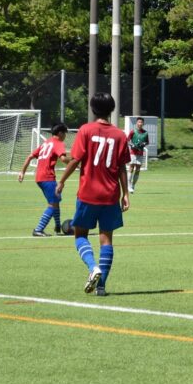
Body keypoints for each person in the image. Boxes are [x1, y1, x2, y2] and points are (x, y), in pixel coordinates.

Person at [56, 93, 130, 296]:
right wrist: (126, 193)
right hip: (110, 195)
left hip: (87, 194)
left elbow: (75, 160)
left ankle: (92, 267)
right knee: (106, 240)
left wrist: (62, 181)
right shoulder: (120, 135)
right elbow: (122, 167)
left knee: (80, 235)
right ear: (112, 109)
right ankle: (101, 287)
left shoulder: (86, 130)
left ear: (93, 109)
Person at [18, 123, 69, 236]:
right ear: (60, 133)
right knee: (52, 205)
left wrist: (22, 172)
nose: (65, 136)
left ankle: (57, 227)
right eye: (65, 133)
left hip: (40, 177)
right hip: (47, 177)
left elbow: (30, 156)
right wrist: (76, 163)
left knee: (55, 202)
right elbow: (63, 159)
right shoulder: (58, 143)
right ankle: (38, 229)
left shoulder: (46, 143)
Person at [126, 117, 150, 193]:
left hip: (140, 153)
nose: (140, 123)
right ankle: (129, 185)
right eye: (139, 122)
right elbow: (127, 140)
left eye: (141, 122)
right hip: (133, 152)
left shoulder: (145, 133)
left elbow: (147, 142)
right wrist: (132, 145)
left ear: (143, 123)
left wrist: (144, 143)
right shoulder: (133, 131)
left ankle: (133, 185)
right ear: (136, 123)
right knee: (131, 167)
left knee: (138, 169)